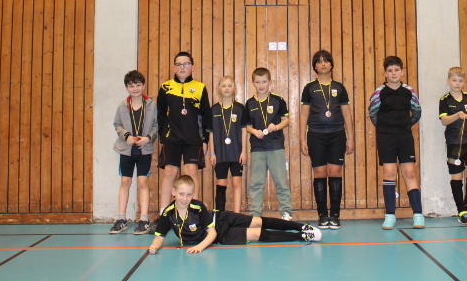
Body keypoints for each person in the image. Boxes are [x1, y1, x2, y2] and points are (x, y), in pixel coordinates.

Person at [148, 175, 320, 254]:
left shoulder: (198, 207)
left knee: (258, 221)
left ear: (193, 194)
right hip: (221, 236)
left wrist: (200, 247)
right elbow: (159, 236)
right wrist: (155, 246)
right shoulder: (167, 214)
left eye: (188, 195)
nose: (184, 198)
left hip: (221, 219)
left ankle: (301, 226)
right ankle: (301, 236)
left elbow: (210, 232)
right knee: (256, 234)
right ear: (173, 192)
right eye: (181, 194)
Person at [299, 50, 354, 229]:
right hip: (316, 135)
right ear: (314, 66)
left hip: (337, 134)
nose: (323, 64)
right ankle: (322, 215)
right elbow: (304, 114)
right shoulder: (309, 88)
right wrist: (302, 139)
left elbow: (347, 114)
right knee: (320, 173)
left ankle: (335, 215)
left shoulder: (339, 87)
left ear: (331, 64)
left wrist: (351, 138)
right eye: (319, 61)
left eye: (326, 61)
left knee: (335, 172)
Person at [368, 56, 424, 230]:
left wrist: (405, 125)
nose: (393, 73)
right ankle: (390, 215)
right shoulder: (378, 93)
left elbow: (417, 112)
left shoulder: (409, 91)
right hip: (386, 137)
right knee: (390, 172)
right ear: (385, 73)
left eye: (396, 70)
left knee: (409, 173)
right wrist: (386, 128)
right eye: (390, 71)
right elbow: (373, 114)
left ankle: (418, 215)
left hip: (404, 136)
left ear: (402, 72)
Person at [156, 52, 210, 220]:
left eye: (186, 64)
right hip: (171, 138)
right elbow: (160, 115)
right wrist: (162, 136)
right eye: (179, 64)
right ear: (174, 68)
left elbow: (206, 116)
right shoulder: (165, 87)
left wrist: (205, 139)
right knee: (169, 172)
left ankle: (193, 214)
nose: (182, 67)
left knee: (191, 171)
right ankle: (164, 214)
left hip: (193, 139)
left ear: (192, 67)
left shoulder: (200, 87)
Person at [110, 70, 159, 235]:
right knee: (125, 182)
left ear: (143, 86)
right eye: (131, 86)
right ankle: (121, 219)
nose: (135, 88)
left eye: (138, 85)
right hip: (126, 150)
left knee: (143, 183)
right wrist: (126, 136)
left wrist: (148, 138)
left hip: (144, 150)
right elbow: (117, 124)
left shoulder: (151, 105)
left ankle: (144, 220)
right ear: (127, 88)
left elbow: (157, 125)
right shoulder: (122, 105)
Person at [245, 68, 293, 220]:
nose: (261, 85)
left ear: (270, 82)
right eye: (258, 82)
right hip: (257, 147)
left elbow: (286, 120)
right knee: (256, 183)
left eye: (264, 81)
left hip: (275, 146)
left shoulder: (278, 100)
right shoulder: (250, 103)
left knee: (280, 181)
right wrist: (254, 131)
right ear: (253, 83)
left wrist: (276, 127)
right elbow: (247, 126)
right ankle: (255, 214)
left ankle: (286, 212)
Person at [439, 67, 467, 226]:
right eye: (454, 80)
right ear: (448, 81)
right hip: (454, 144)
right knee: (457, 176)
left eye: (460, 80)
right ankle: (461, 211)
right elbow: (444, 120)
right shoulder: (445, 100)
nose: (457, 83)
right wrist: (457, 115)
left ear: (464, 82)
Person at [206, 76, 248, 213]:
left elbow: (244, 131)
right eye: (224, 86)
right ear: (219, 89)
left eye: (230, 85)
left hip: (236, 153)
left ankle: (237, 215)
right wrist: (212, 153)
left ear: (234, 88)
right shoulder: (213, 110)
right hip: (220, 153)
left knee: (236, 182)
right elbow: (211, 133)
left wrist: (244, 151)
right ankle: (219, 216)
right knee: (221, 183)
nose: (227, 88)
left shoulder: (240, 108)